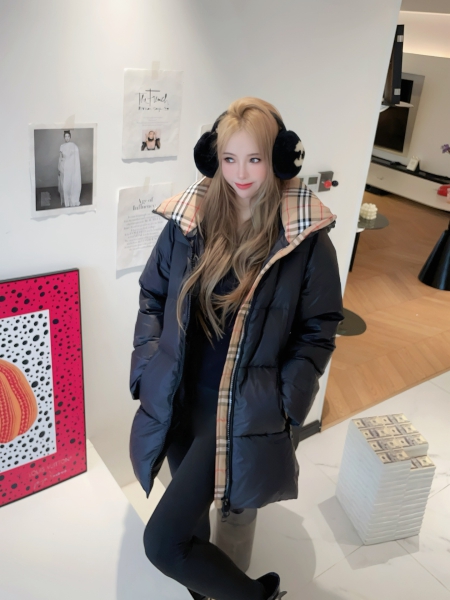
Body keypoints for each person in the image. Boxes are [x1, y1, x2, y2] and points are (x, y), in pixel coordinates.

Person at [129, 97, 343, 600]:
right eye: (229, 159)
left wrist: (285, 403)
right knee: (190, 530)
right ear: (213, 158)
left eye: (254, 158)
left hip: (242, 409)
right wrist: (148, 364)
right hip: (180, 396)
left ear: (281, 159)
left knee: (165, 542)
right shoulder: (188, 223)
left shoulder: (306, 241)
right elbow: (152, 296)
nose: (240, 173)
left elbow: (318, 329)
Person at [58, 130, 81, 207]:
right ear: (64, 137)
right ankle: (66, 200)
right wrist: (59, 167)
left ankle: (72, 198)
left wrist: (74, 168)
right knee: (64, 184)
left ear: (70, 137)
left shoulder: (74, 146)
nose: (67, 138)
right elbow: (60, 158)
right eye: (65, 136)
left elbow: (75, 159)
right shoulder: (62, 146)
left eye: (68, 136)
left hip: (71, 167)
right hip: (64, 166)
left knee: (70, 183)